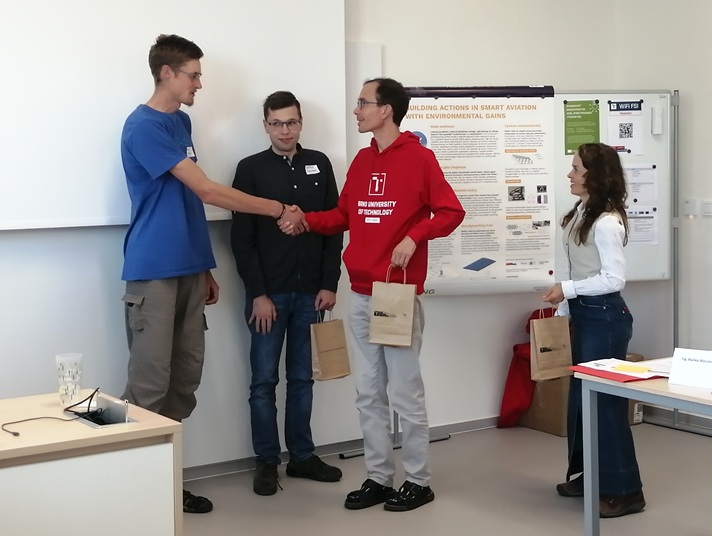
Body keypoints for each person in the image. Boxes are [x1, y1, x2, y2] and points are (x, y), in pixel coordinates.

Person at [120, 34, 303, 514]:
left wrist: (204, 266)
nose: (199, 84)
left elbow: (184, 202)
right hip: (153, 271)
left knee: (183, 383)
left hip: (188, 269)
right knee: (148, 388)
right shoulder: (143, 126)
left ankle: (165, 486)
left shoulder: (181, 121)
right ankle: (132, 494)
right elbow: (205, 191)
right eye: (193, 75)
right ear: (167, 73)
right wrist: (278, 207)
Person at [280, 78, 465, 512]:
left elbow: (451, 211)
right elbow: (344, 215)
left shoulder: (419, 158)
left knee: (405, 393)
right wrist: (306, 219)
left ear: (386, 110)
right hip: (362, 293)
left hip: (395, 296)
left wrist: (415, 237)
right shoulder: (363, 160)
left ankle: (418, 480)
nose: (356, 110)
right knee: (367, 393)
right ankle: (379, 477)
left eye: (363, 102)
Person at [230, 91, 344, 496]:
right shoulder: (250, 169)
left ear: (301, 123)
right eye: (277, 123)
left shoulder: (320, 163)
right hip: (269, 298)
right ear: (265, 125)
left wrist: (329, 283)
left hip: (310, 294)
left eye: (291, 122)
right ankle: (266, 461)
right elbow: (242, 239)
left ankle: (301, 457)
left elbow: (334, 226)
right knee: (263, 382)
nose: (285, 130)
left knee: (302, 379)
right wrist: (258, 294)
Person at [541, 142, 645, 519]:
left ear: (596, 177)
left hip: (605, 318)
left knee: (604, 404)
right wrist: (565, 305)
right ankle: (592, 476)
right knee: (582, 401)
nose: (570, 175)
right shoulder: (581, 213)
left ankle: (626, 490)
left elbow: (613, 279)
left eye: (577, 170)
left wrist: (567, 290)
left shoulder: (606, 222)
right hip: (585, 314)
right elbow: (577, 268)